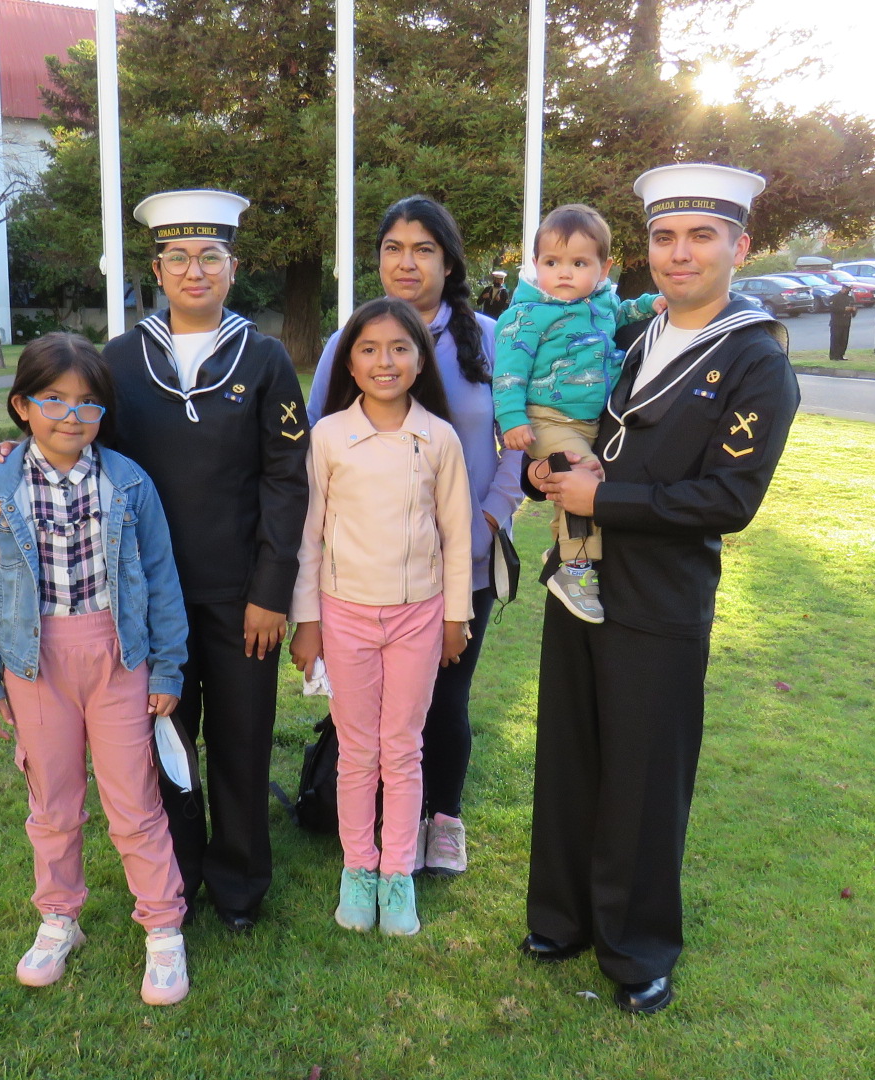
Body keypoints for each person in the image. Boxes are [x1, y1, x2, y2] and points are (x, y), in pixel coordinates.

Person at [0, 190, 309, 931]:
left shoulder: (263, 360)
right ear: (157, 267)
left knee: (240, 738)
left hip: (238, 597)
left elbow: (289, 480)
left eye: (212, 257)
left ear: (234, 266)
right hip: (136, 601)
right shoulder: (121, 360)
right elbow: (71, 436)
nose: (196, 271)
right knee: (161, 743)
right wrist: (11, 452)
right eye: (179, 258)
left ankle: (240, 884)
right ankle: (179, 873)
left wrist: (272, 591)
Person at [518, 163, 799, 1016]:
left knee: (644, 780)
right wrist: (549, 473)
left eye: (701, 236)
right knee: (571, 758)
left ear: (738, 246)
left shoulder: (756, 359)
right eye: (665, 238)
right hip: (583, 580)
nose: (679, 255)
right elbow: (599, 437)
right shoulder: (637, 339)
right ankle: (560, 918)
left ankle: (636, 948)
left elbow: (729, 499)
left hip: (662, 600)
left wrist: (609, 498)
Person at [0, 332, 193, 1006]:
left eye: (88, 404)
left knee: (134, 804)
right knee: (52, 802)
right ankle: (59, 918)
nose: (70, 416)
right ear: (20, 406)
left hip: (117, 661)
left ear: (103, 415)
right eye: (53, 400)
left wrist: (168, 666)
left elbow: (160, 578)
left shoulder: (128, 484)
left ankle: (163, 928)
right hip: (35, 667)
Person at [308, 195, 523, 877]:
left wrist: (491, 512)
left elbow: (517, 435)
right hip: (369, 574)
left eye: (423, 248)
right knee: (378, 708)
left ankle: (444, 820)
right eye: (394, 247)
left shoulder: (490, 339)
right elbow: (317, 437)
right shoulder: (355, 338)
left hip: (466, 559)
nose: (407, 262)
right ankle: (376, 823)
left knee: (446, 700)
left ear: (449, 260)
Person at [289, 297, 472, 937]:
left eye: (399, 348)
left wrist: (457, 615)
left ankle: (397, 874)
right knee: (357, 750)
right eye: (368, 348)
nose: (384, 361)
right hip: (343, 616)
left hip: (420, 617)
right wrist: (306, 620)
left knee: (402, 748)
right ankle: (357, 869)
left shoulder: (439, 438)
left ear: (421, 361)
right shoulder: (330, 436)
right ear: (349, 359)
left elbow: (455, 532)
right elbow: (308, 536)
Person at [493, 203, 663, 624]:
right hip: (547, 418)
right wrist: (512, 419)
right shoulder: (527, 316)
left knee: (591, 481)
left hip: (591, 421)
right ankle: (574, 569)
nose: (565, 272)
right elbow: (508, 371)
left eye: (579, 262)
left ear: (603, 269)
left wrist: (650, 304)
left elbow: (622, 313)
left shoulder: (602, 303)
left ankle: (562, 549)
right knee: (581, 478)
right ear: (536, 265)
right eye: (553, 262)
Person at [827, 282, 855, 361]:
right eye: (846, 289)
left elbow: (853, 309)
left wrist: (853, 310)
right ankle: (834, 356)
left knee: (844, 339)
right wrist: (843, 309)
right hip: (837, 322)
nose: (847, 291)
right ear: (843, 288)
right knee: (836, 339)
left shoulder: (850, 298)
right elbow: (832, 308)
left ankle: (841, 355)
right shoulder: (835, 297)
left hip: (846, 322)